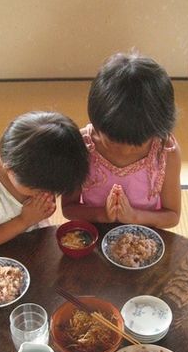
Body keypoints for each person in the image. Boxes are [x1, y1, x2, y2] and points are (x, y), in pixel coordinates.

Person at [61, 52, 181, 228]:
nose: (124, 151)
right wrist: (103, 214)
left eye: (136, 146)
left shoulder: (165, 152)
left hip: (143, 236)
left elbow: (172, 215)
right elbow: (69, 208)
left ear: (158, 129)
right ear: (97, 122)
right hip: (94, 231)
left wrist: (133, 217)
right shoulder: (82, 146)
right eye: (112, 142)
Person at [0, 111, 89, 263]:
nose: (46, 194)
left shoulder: (36, 172)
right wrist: (24, 220)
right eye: (39, 191)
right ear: (9, 169)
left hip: (29, 246)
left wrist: (44, 210)